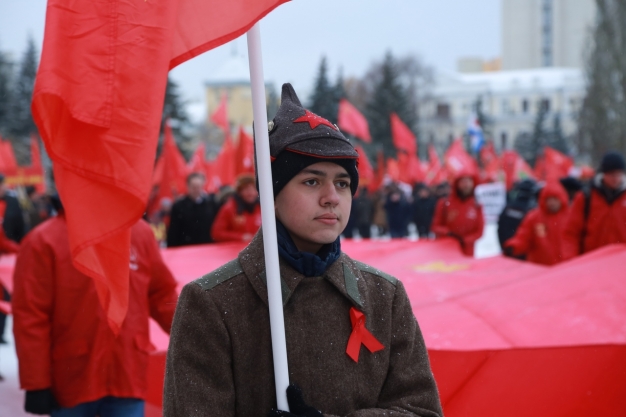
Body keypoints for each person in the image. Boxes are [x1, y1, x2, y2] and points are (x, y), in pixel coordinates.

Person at [163, 83, 442, 417]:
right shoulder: (211, 302)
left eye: (342, 183)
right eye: (312, 181)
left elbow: (421, 410)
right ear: (271, 194)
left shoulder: (384, 296)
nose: (331, 197)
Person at [12, 196, 179, 416]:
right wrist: (36, 382)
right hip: (73, 379)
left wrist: (200, 340)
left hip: (126, 373)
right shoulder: (44, 240)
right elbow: (31, 316)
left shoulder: (139, 233)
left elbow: (161, 294)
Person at [562, 151, 626, 260]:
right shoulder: (586, 197)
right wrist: (571, 261)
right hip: (592, 262)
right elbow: (571, 233)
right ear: (603, 174)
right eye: (612, 174)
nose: (616, 178)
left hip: (621, 263)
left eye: (619, 174)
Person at [504, 182, 569, 265]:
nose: (552, 203)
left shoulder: (571, 216)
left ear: (562, 198)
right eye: (549, 199)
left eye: (555, 199)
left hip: (565, 268)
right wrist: (513, 246)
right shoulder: (534, 217)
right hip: (540, 268)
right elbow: (523, 237)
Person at [431, 170, 484, 256]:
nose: (466, 185)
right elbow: (435, 226)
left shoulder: (477, 205)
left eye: (469, 181)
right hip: (446, 250)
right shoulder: (444, 203)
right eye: (463, 181)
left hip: (467, 252)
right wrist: (448, 233)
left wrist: (465, 240)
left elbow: (479, 231)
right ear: (457, 184)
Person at [166, 172, 217, 247]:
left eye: (198, 187)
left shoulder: (211, 204)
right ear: (188, 186)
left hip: (207, 246)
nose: (196, 190)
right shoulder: (179, 206)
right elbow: (173, 231)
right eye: (193, 187)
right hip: (186, 247)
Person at [210, 173, 262, 242]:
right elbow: (217, 233)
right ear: (239, 192)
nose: (250, 193)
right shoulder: (229, 208)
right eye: (246, 190)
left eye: (253, 189)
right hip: (235, 249)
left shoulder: (262, 207)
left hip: (257, 248)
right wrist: (240, 237)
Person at [497, 179, 537, 258]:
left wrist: (504, 247)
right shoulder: (531, 212)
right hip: (523, 255)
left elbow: (499, 228)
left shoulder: (508, 208)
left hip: (508, 251)